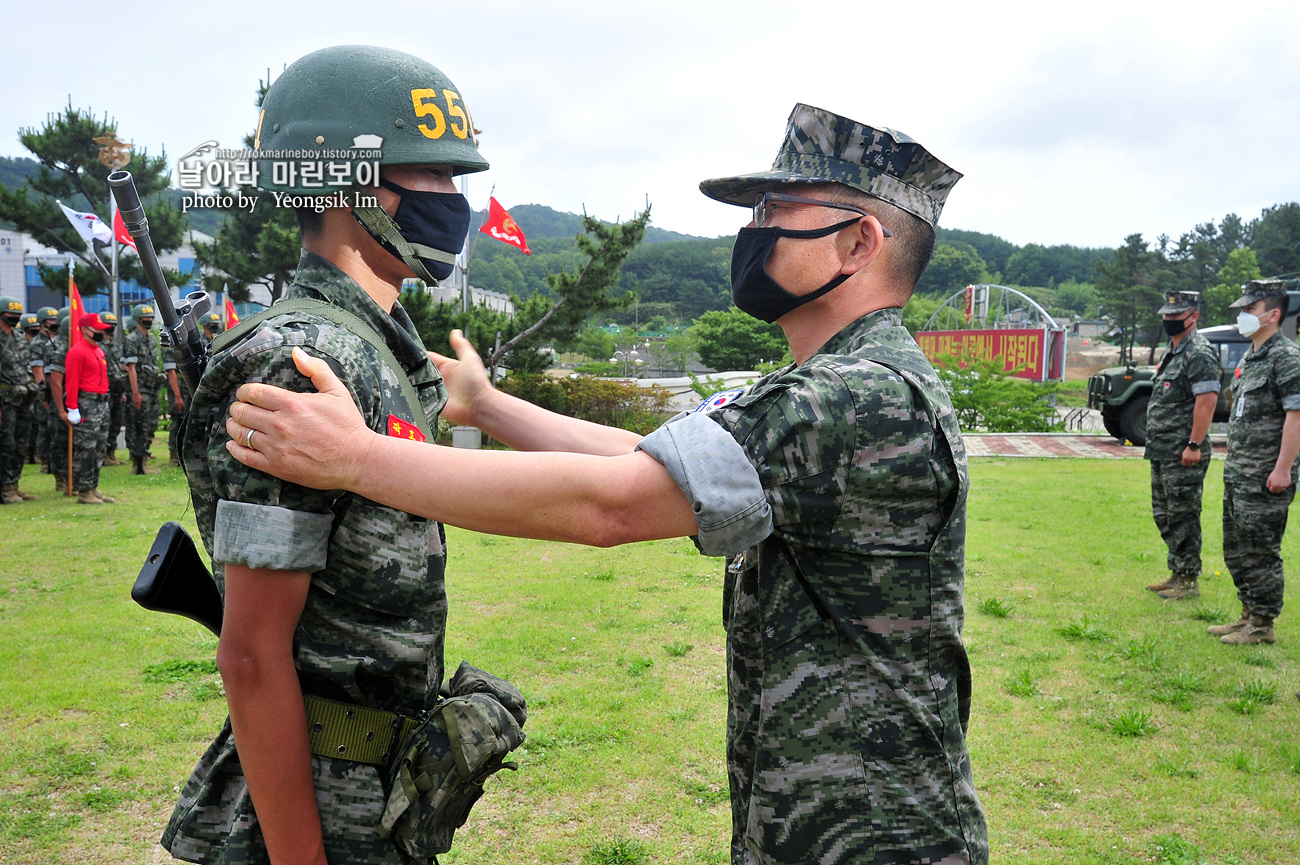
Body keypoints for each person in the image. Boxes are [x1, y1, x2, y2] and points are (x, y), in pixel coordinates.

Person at [227, 103, 989, 865]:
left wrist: (356, 458)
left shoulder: (852, 397)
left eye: (779, 209)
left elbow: (614, 502)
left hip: (874, 838)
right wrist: (489, 406)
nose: (756, 229)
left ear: (858, 242)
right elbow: (648, 456)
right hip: (835, 824)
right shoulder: (839, 384)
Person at [160, 45, 493, 865]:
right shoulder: (301, 359)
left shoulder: (380, 352)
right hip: (319, 808)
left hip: (385, 796)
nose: (456, 202)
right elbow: (249, 650)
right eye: (434, 177)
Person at [1209, 279, 1300, 645]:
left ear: (1273, 315)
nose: (1242, 315)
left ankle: (1262, 625)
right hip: (1241, 473)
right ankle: (1247, 614)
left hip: (1266, 475)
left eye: (1250, 310)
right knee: (1237, 548)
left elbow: (1296, 417)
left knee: (1261, 550)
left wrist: (1282, 469)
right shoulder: (1251, 356)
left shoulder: (1287, 358)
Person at [1142, 290, 1220, 600]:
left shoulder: (1198, 351)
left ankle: (1188, 580)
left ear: (1194, 316)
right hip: (1163, 449)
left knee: (1184, 514)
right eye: (1166, 315)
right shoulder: (1171, 351)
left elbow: (1207, 400)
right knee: (1165, 514)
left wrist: (1194, 444)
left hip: (1184, 451)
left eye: (1176, 316)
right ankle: (1177, 572)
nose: (1169, 320)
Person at [63, 312, 115, 504]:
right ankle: (84, 490)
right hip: (87, 403)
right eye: (97, 329)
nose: (101, 332)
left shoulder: (98, 350)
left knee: (99, 447)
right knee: (86, 448)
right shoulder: (77, 352)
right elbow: (71, 381)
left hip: (101, 403)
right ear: (85, 329)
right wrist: (72, 407)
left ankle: (93, 486)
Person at [0, 296, 38, 503]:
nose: (14, 318)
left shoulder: (19, 338)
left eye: (17, 315)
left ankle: (15, 483)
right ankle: (6, 488)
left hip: (23, 399)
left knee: (21, 443)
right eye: (10, 315)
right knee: (7, 443)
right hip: (5, 401)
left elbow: (25, 367)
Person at [123, 302, 162, 475]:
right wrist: (135, 392)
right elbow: (131, 368)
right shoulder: (132, 340)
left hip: (152, 388)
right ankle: (138, 463)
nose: (149, 320)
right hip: (140, 389)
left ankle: (144, 457)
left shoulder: (152, 339)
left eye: (151, 318)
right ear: (138, 320)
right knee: (139, 426)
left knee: (151, 424)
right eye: (145, 318)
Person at [100, 310, 128, 466]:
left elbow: (118, 367)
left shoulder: (115, 345)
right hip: (105, 389)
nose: (110, 327)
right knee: (106, 422)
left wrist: (122, 391)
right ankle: (103, 454)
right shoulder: (98, 344)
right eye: (107, 325)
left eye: (113, 325)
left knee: (116, 422)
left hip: (117, 390)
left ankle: (111, 453)